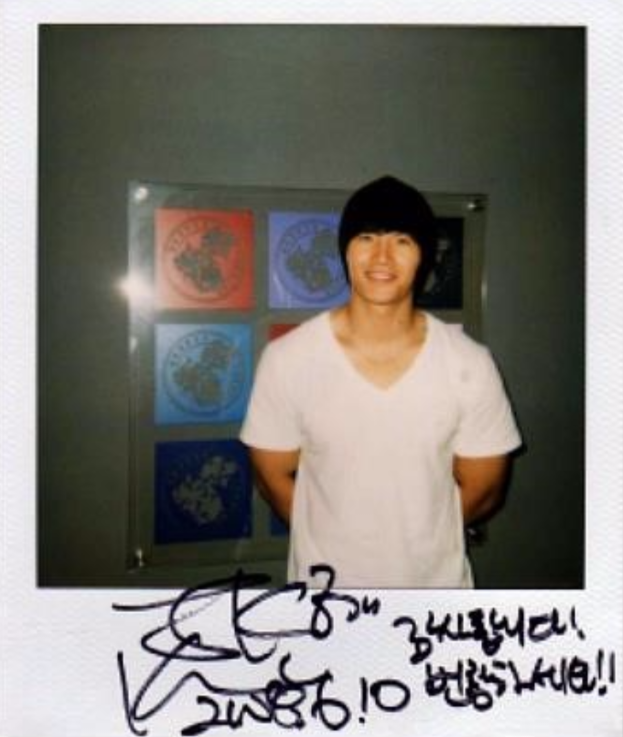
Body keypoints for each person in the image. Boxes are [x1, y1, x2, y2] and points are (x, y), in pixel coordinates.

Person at [240, 175, 522, 588]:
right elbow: (271, 477)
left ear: (424, 256)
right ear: (345, 251)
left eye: (402, 240)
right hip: (326, 599)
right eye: (367, 238)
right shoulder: (288, 359)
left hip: (435, 598)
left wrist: (415, 541)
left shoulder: (470, 363)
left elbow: (485, 489)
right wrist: (339, 541)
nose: (382, 257)